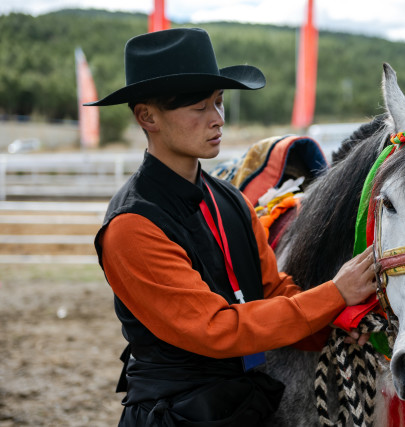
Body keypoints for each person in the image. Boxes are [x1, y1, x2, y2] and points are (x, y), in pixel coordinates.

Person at [87, 27, 376, 426]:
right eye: (199, 108)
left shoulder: (231, 200)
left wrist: (340, 323)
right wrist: (334, 295)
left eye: (219, 103)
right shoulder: (131, 227)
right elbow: (216, 329)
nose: (217, 119)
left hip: (248, 404)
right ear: (147, 116)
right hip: (176, 414)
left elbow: (275, 291)